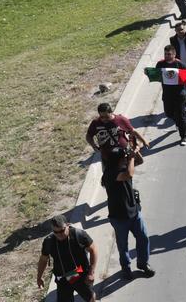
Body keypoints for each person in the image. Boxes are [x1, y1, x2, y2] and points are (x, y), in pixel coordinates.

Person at [104, 149, 154, 279]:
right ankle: (126, 268)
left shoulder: (124, 166)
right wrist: (131, 157)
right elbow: (129, 174)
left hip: (134, 212)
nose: (126, 158)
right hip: (119, 216)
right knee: (123, 245)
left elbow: (140, 161)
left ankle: (143, 264)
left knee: (143, 238)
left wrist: (136, 153)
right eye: (124, 157)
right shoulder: (110, 173)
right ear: (118, 160)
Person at [36, 215, 98, 302]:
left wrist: (91, 273)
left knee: (90, 297)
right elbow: (43, 259)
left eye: (62, 230)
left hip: (79, 272)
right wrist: (39, 277)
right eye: (55, 232)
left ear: (68, 225)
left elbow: (93, 250)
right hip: (62, 277)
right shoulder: (49, 241)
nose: (59, 234)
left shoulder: (78, 235)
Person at [87, 102, 148, 170]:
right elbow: (89, 136)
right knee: (110, 176)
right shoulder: (95, 123)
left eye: (106, 117)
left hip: (123, 154)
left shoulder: (121, 120)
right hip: (107, 156)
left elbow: (133, 131)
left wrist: (144, 141)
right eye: (102, 117)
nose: (104, 119)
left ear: (111, 112)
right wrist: (94, 146)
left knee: (126, 173)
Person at [155, 44, 186, 145]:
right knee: (168, 113)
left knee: (181, 116)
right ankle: (178, 123)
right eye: (165, 54)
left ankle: (183, 137)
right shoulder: (160, 64)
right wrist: (148, 73)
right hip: (167, 94)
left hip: (179, 94)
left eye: (169, 54)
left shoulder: (181, 65)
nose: (167, 56)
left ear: (174, 54)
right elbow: (157, 75)